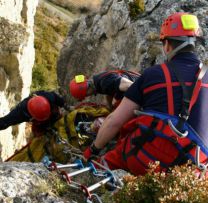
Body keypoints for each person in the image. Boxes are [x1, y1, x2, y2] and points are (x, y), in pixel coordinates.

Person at [83, 12, 208, 176]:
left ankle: (97, 168)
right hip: (193, 172)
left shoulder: (153, 74)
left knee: (108, 161)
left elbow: (115, 121)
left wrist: (92, 150)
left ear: (168, 45)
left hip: (146, 159)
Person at [0, 90, 66, 136]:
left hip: (49, 112)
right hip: (30, 116)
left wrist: (66, 106)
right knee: (5, 122)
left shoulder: (50, 97)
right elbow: (5, 122)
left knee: (57, 118)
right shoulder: (21, 112)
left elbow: (59, 100)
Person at [69, 69, 140, 109]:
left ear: (87, 90)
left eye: (86, 95)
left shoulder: (104, 83)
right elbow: (110, 91)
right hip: (137, 84)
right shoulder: (98, 81)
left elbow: (129, 85)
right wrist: (110, 107)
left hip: (140, 90)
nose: (87, 96)